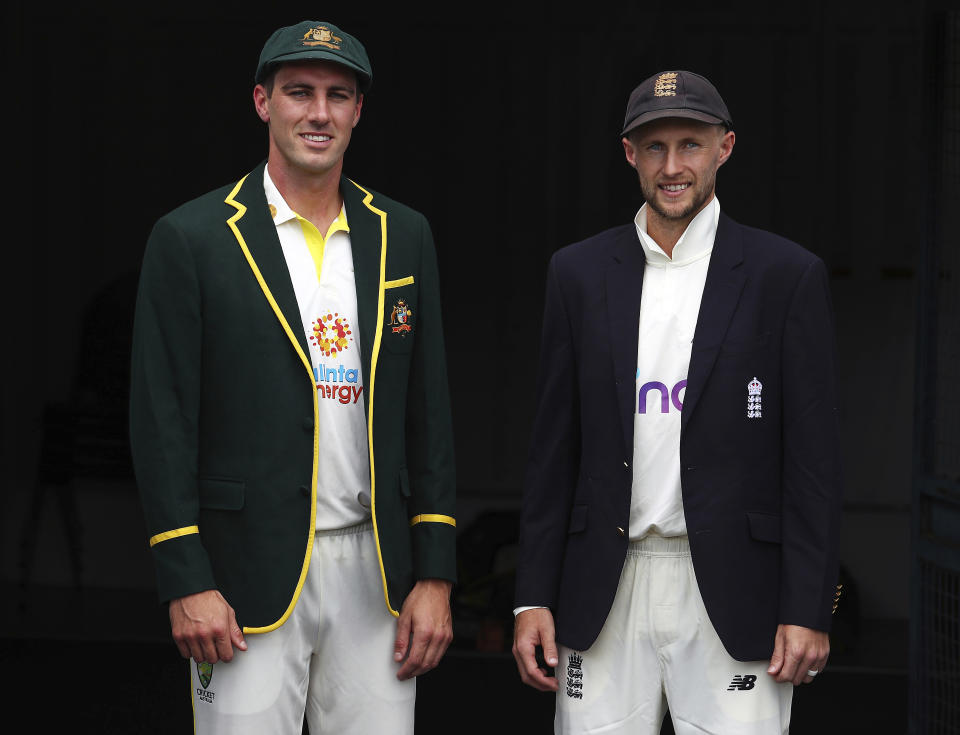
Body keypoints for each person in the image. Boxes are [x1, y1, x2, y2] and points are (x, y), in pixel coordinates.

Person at [129, 20, 456, 735]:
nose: (319, 112)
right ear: (261, 102)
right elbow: (162, 420)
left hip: (377, 576)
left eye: (338, 96)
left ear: (359, 111)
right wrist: (186, 576)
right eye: (299, 92)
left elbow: (428, 414)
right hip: (243, 577)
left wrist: (434, 573)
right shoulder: (193, 237)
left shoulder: (403, 233)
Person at [512, 70, 843, 734]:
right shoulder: (576, 274)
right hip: (605, 583)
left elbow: (813, 461)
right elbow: (554, 451)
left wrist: (808, 605)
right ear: (629, 153)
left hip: (733, 586)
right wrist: (531, 598)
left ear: (725, 147)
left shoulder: (785, 275)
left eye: (690, 144)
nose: (673, 166)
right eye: (654, 147)